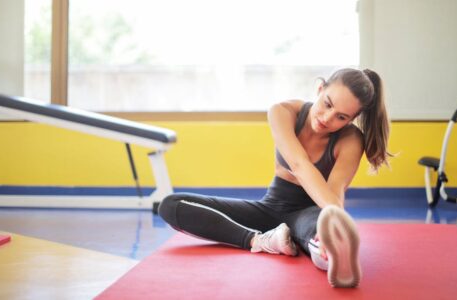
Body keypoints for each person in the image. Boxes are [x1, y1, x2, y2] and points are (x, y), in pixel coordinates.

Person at [158, 68, 391, 288]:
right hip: (269, 208)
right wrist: (334, 214)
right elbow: (299, 165)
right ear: (320, 89)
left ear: (351, 119)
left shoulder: (351, 139)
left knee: (324, 240)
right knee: (171, 205)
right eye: (327, 104)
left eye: (340, 117)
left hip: (311, 212)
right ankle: (260, 240)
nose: (328, 118)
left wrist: (332, 221)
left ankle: (332, 252)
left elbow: (336, 189)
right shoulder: (282, 112)